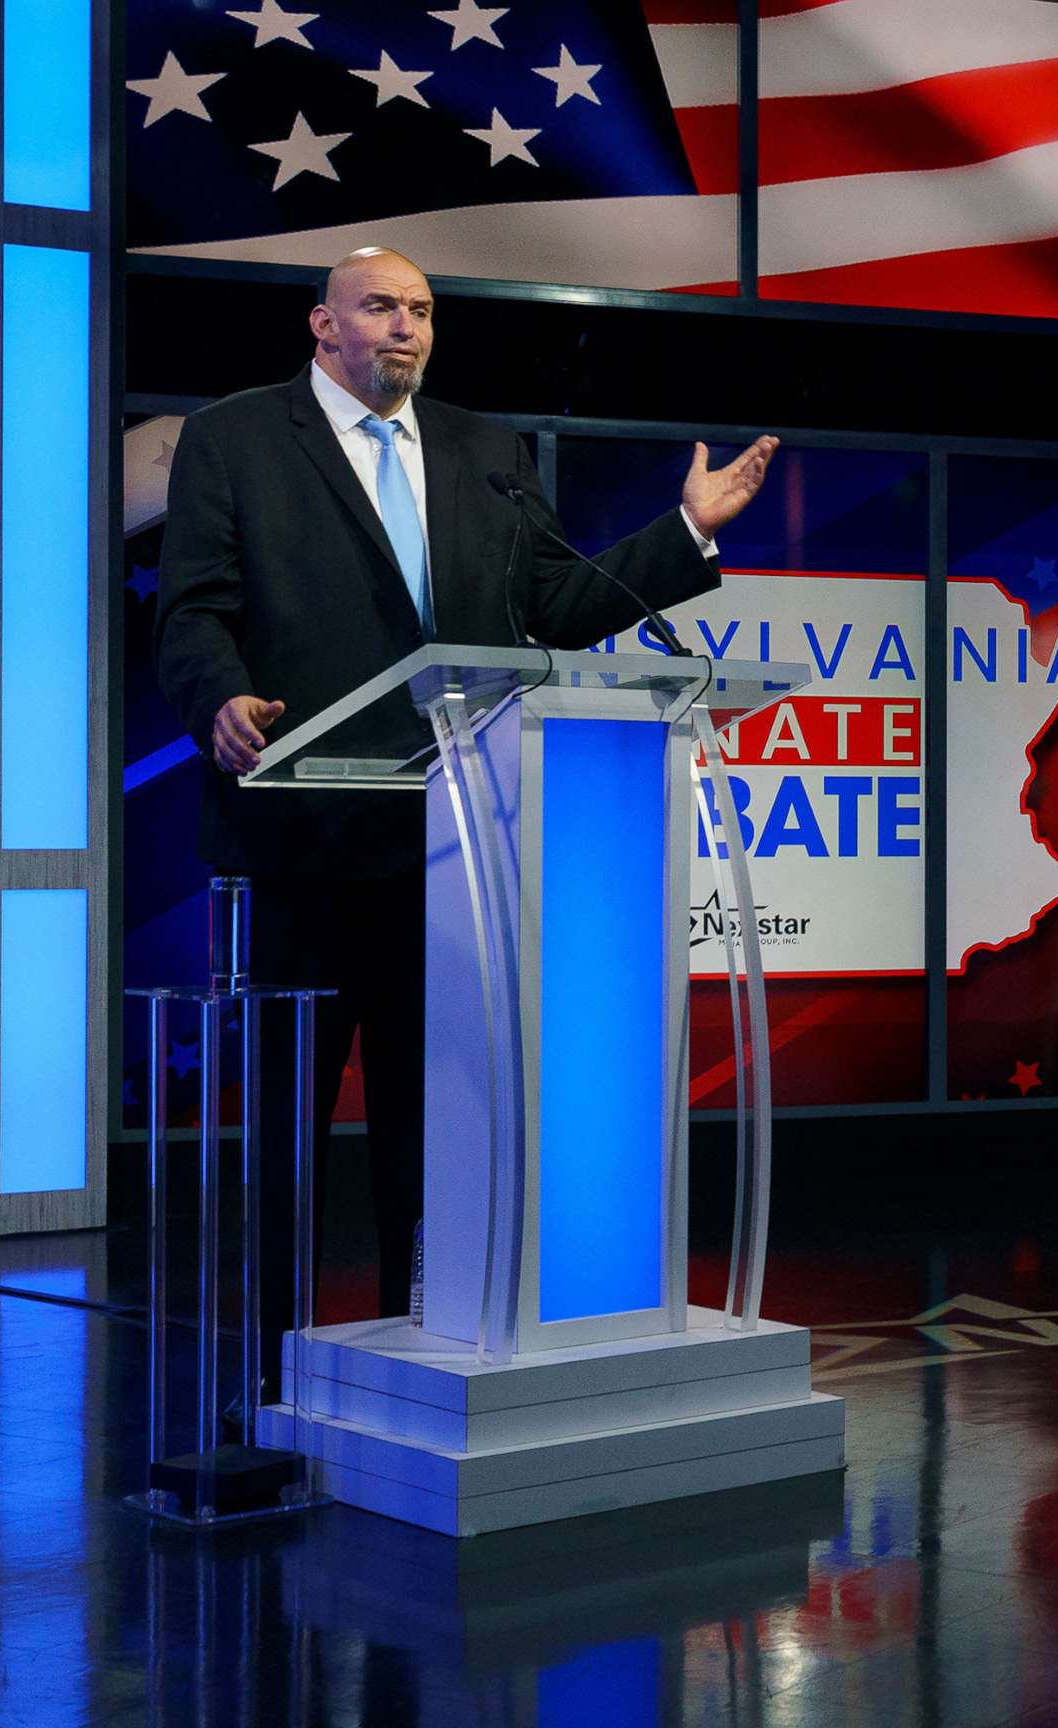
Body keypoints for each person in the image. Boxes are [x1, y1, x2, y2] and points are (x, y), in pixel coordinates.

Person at [155, 247, 777, 1358]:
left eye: (423, 311)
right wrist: (221, 700)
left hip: (455, 849)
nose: (406, 327)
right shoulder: (237, 439)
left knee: (431, 1135)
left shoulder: (485, 451)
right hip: (301, 834)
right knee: (286, 1136)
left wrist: (684, 532)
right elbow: (194, 609)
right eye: (381, 308)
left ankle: (420, 1346)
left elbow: (557, 604)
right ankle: (263, 1369)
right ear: (323, 327)